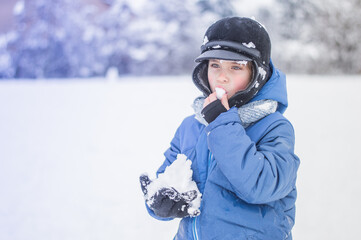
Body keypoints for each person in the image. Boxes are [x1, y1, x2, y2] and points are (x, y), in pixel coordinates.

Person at [140, 17, 300, 240]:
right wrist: (160, 201)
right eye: (215, 65)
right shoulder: (191, 126)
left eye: (236, 67)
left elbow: (261, 186)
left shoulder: (275, 128)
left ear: (258, 74)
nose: (221, 77)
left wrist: (222, 122)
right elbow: (168, 176)